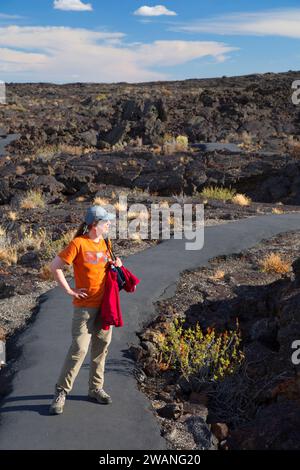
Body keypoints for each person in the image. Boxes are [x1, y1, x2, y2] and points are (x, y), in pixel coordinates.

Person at [49, 205, 122, 415]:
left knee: (101, 347)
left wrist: (116, 263)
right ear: (94, 225)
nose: (109, 224)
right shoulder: (78, 244)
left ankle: (95, 388)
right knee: (79, 349)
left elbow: (107, 268)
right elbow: (55, 267)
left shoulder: (106, 243)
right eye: (106, 221)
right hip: (85, 307)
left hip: (105, 306)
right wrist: (70, 291)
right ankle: (61, 391)